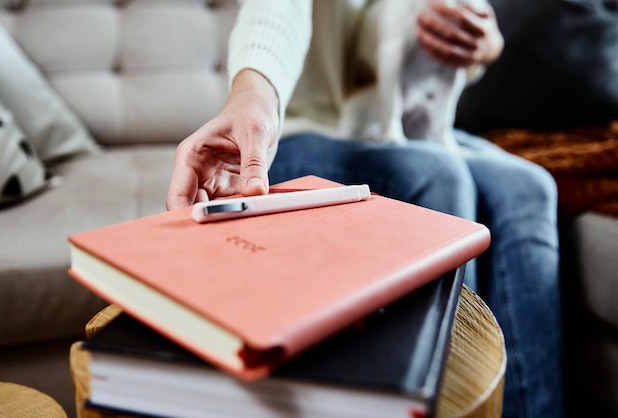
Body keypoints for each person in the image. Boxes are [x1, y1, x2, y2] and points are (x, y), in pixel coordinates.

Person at [166, 1, 564, 417]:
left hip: (405, 120)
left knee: (530, 186)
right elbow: (276, 12)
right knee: (438, 174)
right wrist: (254, 96)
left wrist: (486, 45)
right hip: (307, 128)